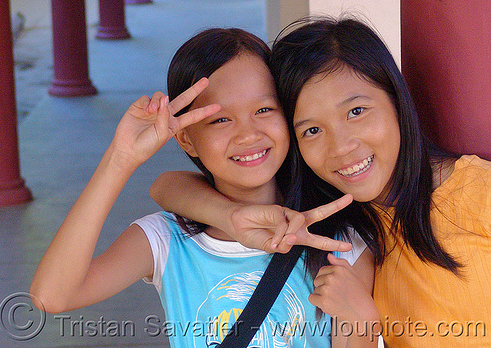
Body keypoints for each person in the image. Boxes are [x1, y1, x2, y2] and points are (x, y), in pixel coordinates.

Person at [150, 17, 491, 348]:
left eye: (356, 111)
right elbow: (166, 187)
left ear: (396, 99)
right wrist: (230, 217)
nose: (341, 147)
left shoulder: (478, 194)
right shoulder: (335, 221)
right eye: (311, 130)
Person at [30, 27, 381, 348]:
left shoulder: (339, 245)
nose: (248, 134)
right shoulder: (167, 241)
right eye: (221, 119)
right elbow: (52, 296)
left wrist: (363, 322)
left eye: (264, 109)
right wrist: (120, 159)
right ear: (186, 139)